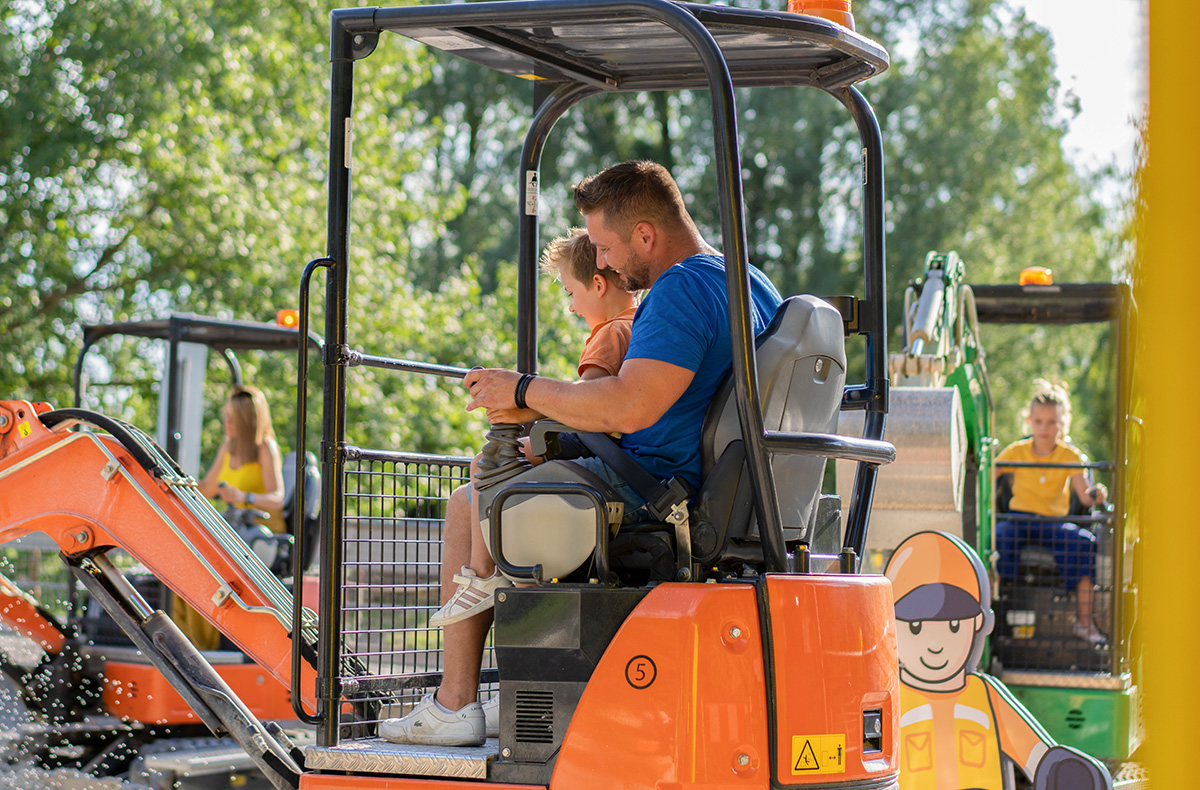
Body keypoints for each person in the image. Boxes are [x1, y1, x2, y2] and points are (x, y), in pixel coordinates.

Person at [379, 160, 783, 747]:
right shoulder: (749, 282)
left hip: (653, 493)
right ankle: (514, 689)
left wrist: (522, 390)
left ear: (645, 235)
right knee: (510, 489)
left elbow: (628, 406)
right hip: (720, 493)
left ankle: (454, 703)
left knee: (471, 501)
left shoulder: (679, 291)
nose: (606, 264)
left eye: (607, 247)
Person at [427, 227, 639, 631]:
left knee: (485, 463)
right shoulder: (638, 324)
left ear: (598, 285)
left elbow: (587, 407)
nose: (571, 308)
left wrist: (526, 411)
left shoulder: (610, 334)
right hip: (610, 450)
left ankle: (482, 573)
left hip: (602, 456)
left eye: (571, 293)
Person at [885, 531, 1112, 790]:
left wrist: (1065, 773)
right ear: (889, 622)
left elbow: (1037, 756)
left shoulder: (986, 697)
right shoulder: (888, 701)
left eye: (954, 625)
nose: (935, 644)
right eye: (915, 626)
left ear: (979, 622)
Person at [994, 379, 1108, 644]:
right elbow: (988, 475)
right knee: (998, 536)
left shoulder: (1070, 456)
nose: (1045, 428)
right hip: (1019, 520)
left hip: (1053, 524)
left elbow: (1085, 495)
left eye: (1052, 422)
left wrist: (1098, 493)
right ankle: (999, 614)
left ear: (1062, 424)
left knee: (1084, 542)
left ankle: (1084, 623)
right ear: (1030, 422)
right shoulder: (1016, 451)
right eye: (1039, 422)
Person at [174, 385, 285, 650]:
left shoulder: (265, 448)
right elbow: (206, 488)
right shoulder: (228, 447)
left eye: (232, 418)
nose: (225, 422)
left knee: (207, 567)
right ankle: (183, 641)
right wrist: (173, 484)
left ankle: (205, 646)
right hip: (234, 531)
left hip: (259, 530)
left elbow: (278, 498)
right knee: (182, 560)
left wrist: (243, 496)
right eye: (225, 416)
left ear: (247, 420)